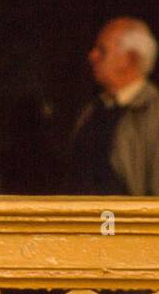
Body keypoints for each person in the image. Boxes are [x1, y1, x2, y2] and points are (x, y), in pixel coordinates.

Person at [68, 18, 159, 195]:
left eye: (102, 50)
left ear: (130, 58)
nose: (92, 56)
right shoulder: (93, 109)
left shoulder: (154, 112)